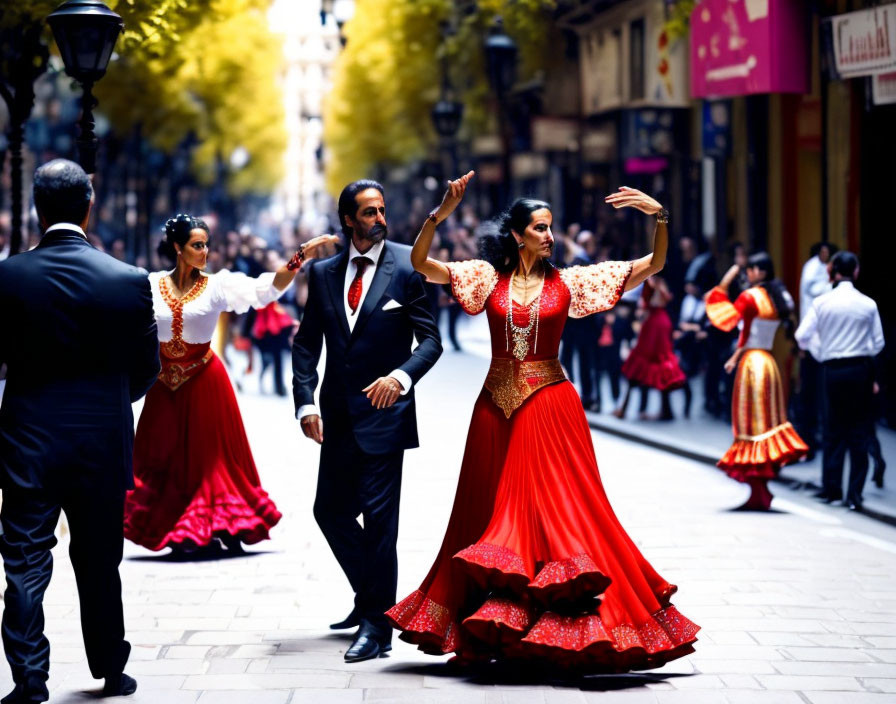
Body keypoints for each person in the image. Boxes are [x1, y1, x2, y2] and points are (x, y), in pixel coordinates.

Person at [388, 174, 699, 670]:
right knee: (482, 514)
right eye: (539, 227)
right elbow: (422, 263)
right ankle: (487, 630)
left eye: (550, 227)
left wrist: (659, 217)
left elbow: (655, 264)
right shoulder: (485, 278)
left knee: (557, 516)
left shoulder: (572, 282)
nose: (549, 236)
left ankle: (559, 629)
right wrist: (438, 215)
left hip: (551, 406)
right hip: (493, 407)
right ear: (517, 234)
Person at [0, 159, 160, 702]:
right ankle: (111, 667)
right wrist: (111, 399)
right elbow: (146, 370)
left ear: (36, 210)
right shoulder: (128, 280)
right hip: (99, 442)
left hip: (26, 442)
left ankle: (28, 679)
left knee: (23, 562)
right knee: (98, 562)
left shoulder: (7, 276)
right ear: (90, 206)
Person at [292, 179, 442, 663]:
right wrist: (305, 403)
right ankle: (376, 599)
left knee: (380, 523)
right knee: (329, 511)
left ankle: (378, 628)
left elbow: (431, 341)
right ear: (349, 220)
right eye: (370, 212)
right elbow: (305, 343)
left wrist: (401, 378)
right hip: (336, 416)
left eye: (382, 210)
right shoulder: (322, 274)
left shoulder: (408, 268)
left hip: (385, 416)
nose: (380, 219)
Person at [123, 215, 336, 554]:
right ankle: (175, 528)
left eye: (207, 244)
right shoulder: (150, 284)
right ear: (178, 248)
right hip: (163, 385)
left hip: (205, 381)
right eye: (197, 245)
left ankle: (211, 527)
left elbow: (264, 290)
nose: (205, 251)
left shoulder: (218, 284)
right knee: (164, 458)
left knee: (209, 461)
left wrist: (299, 257)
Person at [705, 252, 808, 511]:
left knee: (751, 425)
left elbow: (722, 315)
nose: (747, 274)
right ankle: (759, 489)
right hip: (769, 363)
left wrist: (727, 277)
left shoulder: (750, 297)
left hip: (752, 365)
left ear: (760, 272)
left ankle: (758, 490)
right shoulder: (777, 297)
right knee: (767, 424)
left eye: (750, 270)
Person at [795, 251, 885, 511]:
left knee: (832, 429)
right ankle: (854, 495)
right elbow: (878, 343)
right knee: (858, 429)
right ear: (856, 271)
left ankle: (831, 489)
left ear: (832, 271)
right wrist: (860, 350)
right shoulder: (868, 304)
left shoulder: (822, 302)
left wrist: (821, 351)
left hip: (832, 370)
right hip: (859, 369)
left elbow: (802, 335)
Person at [613, 276, 687, 421]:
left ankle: (624, 408)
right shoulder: (660, 284)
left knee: (644, 364)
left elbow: (649, 301)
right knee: (659, 364)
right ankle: (666, 410)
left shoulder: (653, 283)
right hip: (660, 322)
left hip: (654, 324)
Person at [795, 242, 837, 460]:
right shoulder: (813, 271)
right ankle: (810, 441)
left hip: (821, 346)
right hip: (819, 346)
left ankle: (812, 441)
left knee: (817, 399)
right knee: (813, 399)